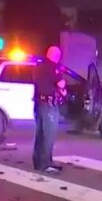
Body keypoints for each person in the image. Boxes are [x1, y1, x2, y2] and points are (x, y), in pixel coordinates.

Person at [32, 46, 67, 174]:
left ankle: (38, 162)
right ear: (56, 56)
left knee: (40, 134)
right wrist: (61, 77)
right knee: (48, 135)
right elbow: (61, 84)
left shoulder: (38, 67)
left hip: (38, 103)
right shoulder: (53, 68)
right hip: (48, 104)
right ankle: (46, 164)